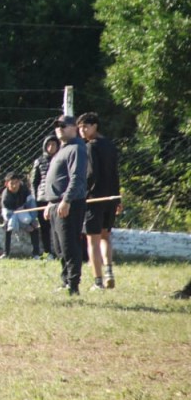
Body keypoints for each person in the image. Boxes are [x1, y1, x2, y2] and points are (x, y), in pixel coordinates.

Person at [43, 115, 89, 296]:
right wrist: (50, 203)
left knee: (69, 245)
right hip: (56, 204)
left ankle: (73, 285)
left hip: (69, 204)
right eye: (57, 126)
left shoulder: (77, 148)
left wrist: (66, 200)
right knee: (59, 247)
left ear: (74, 128)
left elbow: (77, 177)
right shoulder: (63, 149)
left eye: (63, 125)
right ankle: (65, 281)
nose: (59, 128)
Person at [77, 112, 122, 291]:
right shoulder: (111, 146)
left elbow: (90, 174)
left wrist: (84, 194)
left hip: (95, 199)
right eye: (80, 128)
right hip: (110, 198)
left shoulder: (90, 147)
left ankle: (98, 282)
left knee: (92, 241)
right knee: (105, 236)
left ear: (95, 126)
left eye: (85, 127)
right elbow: (115, 173)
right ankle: (109, 270)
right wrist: (117, 197)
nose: (82, 131)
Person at [29, 135, 60, 258]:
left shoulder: (61, 159)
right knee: (45, 227)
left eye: (54, 144)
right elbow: (34, 182)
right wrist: (35, 198)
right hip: (42, 198)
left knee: (57, 226)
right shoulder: (39, 161)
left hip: (57, 198)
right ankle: (48, 252)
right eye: (49, 145)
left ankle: (59, 252)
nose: (51, 147)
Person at [0, 171, 40, 259]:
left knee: (34, 226)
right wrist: (24, 225)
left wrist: (32, 220)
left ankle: (36, 254)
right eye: (12, 183)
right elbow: (7, 215)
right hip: (11, 215)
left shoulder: (25, 190)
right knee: (7, 226)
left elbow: (31, 204)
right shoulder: (5, 197)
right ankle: (6, 253)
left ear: (20, 182)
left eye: (16, 182)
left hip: (24, 212)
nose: (14, 186)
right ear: (6, 184)